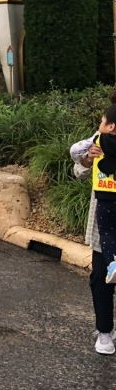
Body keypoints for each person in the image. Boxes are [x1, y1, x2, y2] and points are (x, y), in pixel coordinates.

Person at [71, 105, 116, 355]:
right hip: (105, 220)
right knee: (101, 276)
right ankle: (105, 331)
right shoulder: (100, 139)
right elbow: (78, 170)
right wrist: (87, 158)